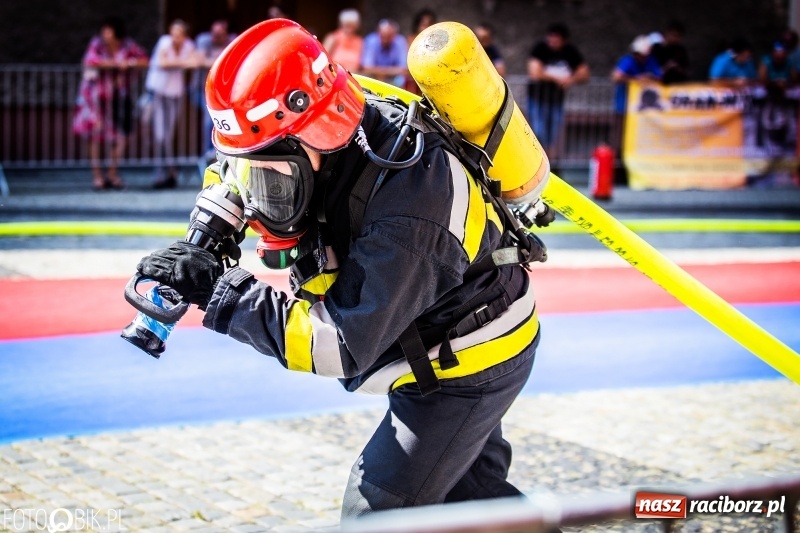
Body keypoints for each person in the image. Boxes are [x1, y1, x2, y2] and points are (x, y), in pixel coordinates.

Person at [135, 19, 542, 521]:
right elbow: (236, 170)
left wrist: (222, 293)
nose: (260, 194)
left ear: (318, 131)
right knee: (471, 499)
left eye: (271, 175)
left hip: (470, 357)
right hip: (438, 331)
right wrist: (207, 238)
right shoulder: (309, 146)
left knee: (376, 512)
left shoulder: (413, 200)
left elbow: (339, 344)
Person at [72, 17, 148, 190]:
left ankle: (112, 174)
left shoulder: (127, 45)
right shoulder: (97, 44)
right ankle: (97, 176)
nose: (105, 34)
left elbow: (144, 59)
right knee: (94, 136)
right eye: (104, 30)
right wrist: (114, 64)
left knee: (119, 136)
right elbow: (90, 61)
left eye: (109, 30)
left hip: (117, 97)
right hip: (95, 98)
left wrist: (129, 63)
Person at [145, 19, 196, 189]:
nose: (176, 38)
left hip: (175, 93)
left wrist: (183, 62)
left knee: (168, 135)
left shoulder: (188, 45)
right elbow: (162, 62)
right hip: (159, 92)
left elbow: (196, 60)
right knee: (160, 135)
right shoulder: (164, 42)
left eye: (179, 34)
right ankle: (163, 172)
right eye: (173, 33)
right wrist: (183, 63)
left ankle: (169, 172)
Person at [527, 23, 589, 155]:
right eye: (551, 38)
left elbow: (584, 73)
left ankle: (549, 164)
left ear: (564, 40)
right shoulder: (540, 48)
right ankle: (537, 160)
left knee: (552, 136)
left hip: (556, 101)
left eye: (556, 39)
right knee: (537, 132)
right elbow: (535, 72)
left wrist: (570, 79)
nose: (552, 42)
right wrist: (557, 78)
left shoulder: (570, 51)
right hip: (538, 99)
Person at [193, 20, 237, 158]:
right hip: (200, 89)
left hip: (222, 92)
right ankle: (208, 152)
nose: (215, 37)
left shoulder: (233, 40)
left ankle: (223, 150)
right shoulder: (204, 40)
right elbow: (200, 61)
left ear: (226, 34)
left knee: (226, 119)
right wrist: (221, 61)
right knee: (209, 119)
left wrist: (212, 60)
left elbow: (234, 61)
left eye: (219, 35)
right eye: (214, 34)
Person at [361, 18, 408, 88]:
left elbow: (403, 69)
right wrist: (388, 71)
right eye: (383, 36)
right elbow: (366, 68)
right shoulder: (371, 40)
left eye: (388, 36)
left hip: (393, 81)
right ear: (378, 33)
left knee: (402, 79)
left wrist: (380, 72)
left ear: (394, 35)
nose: (385, 40)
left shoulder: (400, 41)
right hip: (374, 78)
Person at [405, 9, 437, 94]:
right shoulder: (411, 40)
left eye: (429, 25)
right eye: (423, 25)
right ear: (417, 26)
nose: (426, 28)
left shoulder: (436, 42)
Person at [322, 9, 363, 73]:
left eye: (352, 25)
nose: (349, 28)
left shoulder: (359, 41)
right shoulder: (333, 38)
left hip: (354, 75)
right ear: (341, 24)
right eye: (347, 25)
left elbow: (362, 64)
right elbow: (323, 57)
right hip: (334, 73)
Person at [650, 20, 690, 85]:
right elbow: (651, 71)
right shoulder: (656, 49)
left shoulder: (680, 50)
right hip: (658, 85)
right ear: (667, 33)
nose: (675, 38)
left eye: (678, 36)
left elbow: (686, 70)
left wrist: (677, 67)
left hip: (677, 86)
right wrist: (666, 67)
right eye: (674, 35)